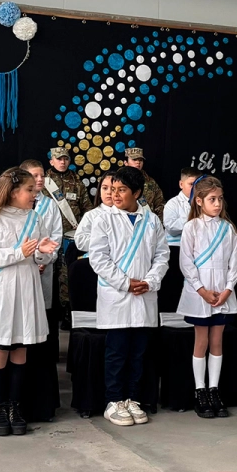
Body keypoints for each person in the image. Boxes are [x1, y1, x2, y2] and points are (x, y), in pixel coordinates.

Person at [0, 168, 59, 437]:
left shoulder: (35, 218)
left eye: (35, 189)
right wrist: (19, 252)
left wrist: (44, 253)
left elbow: (39, 259)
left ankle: (15, 407)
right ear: (14, 192)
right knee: (0, 348)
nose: (35, 193)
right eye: (30, 190)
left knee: (20, 348)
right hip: (1, 291)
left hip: (26, 288)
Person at [89, 167, 169, 427]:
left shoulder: (152, 220)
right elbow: (98, 257)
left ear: (136, 192)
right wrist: (125, 283)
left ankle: (133, 398)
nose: (114, 194)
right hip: (117, 295)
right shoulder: (104, 219)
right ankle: (114, 400)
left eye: (121, 190)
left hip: (144, 294)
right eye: (112, 189)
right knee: (117, 351)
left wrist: (150, 281)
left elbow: (162, 255)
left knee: (138, 352)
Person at [177, 176, 237, 419]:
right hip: (199, 293)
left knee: (217, 342)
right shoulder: (191, 227)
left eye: (220, 199)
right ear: (200, 201)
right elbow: (186, 262)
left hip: (222, 293)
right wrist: (201, 289)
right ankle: (199, 390)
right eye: (212, 199)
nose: (217, 204)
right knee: (200, 342)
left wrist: (227, 290)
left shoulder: (228, 229)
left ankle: (214, 389)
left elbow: (234, 264)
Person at [45, 147, 93, 330]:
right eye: (58, 159)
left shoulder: (76, 182)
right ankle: (50, 312)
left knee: (66, 276)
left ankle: (67, 313)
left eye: (65, 158)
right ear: (51, 161)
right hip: (48, 237)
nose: (62, 162)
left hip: (70, 238)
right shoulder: (44, 182)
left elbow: (87, 208)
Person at [21, 160, 63, 332]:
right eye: (34, 175)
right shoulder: (17, 204)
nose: (39, 179)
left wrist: (45, 260)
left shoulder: (50, 205)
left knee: (44, 310)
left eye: (42, 176)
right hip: (22, 263)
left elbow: (56, 236)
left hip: (44, 266)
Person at [73, 171, 115, 254]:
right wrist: (106, 241)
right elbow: (80, 241)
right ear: (99, 191)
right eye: (105, 188)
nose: (109, 192)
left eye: (113, 189)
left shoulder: (126, 213)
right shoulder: (91, 215)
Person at [163, 167, 201, 247]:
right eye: (191, 184)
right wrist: (194, 219)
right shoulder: (172, 204)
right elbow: (171, 228)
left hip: (197, 248)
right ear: (181, 184)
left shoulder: (203, 203)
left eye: (197, 184)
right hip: (176, 247)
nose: (195, 188)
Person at [124, 147, 165, 217]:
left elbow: (160, 204)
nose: (138, 162)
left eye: (140, 160)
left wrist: (158, 223)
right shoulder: (117, 181)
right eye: (134, 159)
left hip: (148, 223)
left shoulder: (151, 182)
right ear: (125, 162)